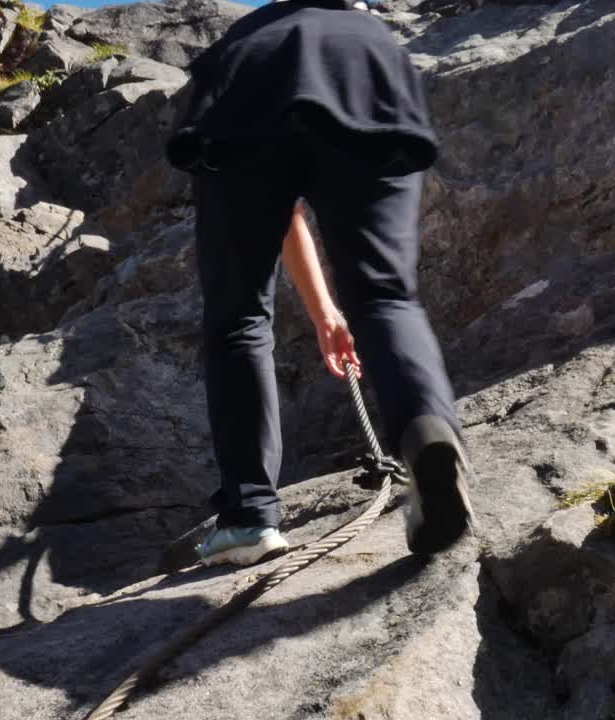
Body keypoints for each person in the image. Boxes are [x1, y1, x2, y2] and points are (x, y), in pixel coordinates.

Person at [166, 0, 475, 566]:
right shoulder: (364, 26)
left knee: (239, 317)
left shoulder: (251, 33)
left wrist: (323, 315)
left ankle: (250, 516)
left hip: (245, 76)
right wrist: (328, 312)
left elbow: (275, 212)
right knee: (384, 293)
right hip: (364, 66)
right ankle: (427, 431)